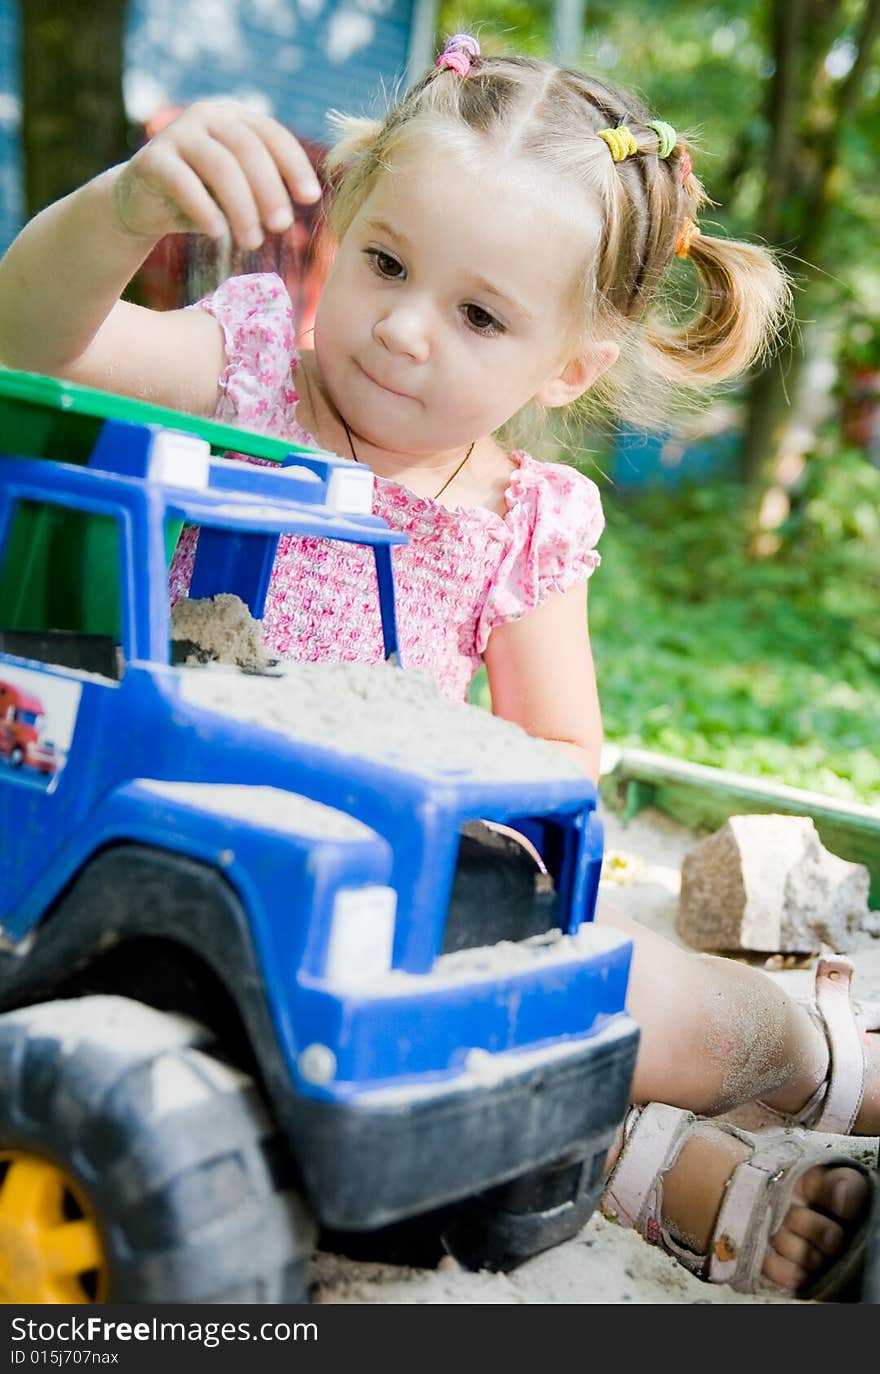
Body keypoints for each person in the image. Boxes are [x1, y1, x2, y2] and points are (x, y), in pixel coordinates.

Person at [0, 32, 876, 1300]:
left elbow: (559, 760)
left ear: (566, 364)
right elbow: (30, 339)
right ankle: (691, 1182)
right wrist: (127, 209)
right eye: (385, 264)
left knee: (638, 1005)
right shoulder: (247, 379)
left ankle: (804, 1065)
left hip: (407, 884)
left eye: (477, 314)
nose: (403, 331)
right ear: (343, 223)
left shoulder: (523, 517)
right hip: (191, 851)